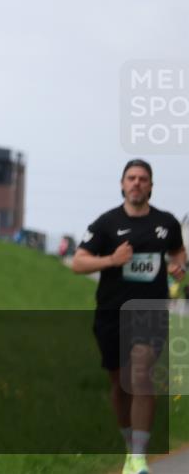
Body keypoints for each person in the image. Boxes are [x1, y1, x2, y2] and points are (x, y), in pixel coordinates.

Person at [71, 159, 186, 474]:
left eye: (143, 179)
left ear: (151, 185)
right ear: (122, 184)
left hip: (149, 312)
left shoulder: (167, 223)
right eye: (131, 178)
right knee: (120, 384)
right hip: (111, 313)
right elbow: (78, 263)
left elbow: (178, 253)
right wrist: (111, 259)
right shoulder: (105, 224)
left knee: (141, 373)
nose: (137, 183)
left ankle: (138, 457)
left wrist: (179, 268)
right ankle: (129, 446)